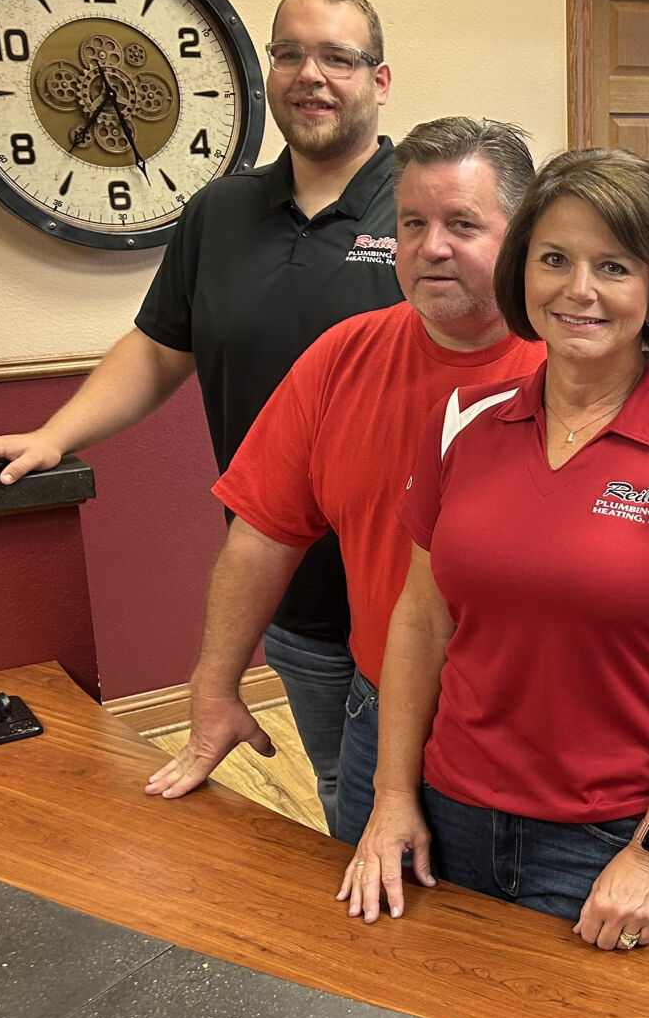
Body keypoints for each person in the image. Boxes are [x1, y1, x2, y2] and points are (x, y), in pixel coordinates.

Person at [0, 0, 400, 834]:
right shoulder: (220, 212)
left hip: (418, 587)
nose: (312, 74)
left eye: (338, 57)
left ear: (379, 80)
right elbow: (158, 347)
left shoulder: (426, 208)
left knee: (438, 815)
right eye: (291, 53)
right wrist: (54, 433)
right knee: (346, 796)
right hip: (287, 584)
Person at [338, 148, 649, 951]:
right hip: (445, 810)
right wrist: (391, 793)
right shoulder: (460, 422)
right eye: (554, 259)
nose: (577, 290)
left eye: (613, 266)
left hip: (599, 840)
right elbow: (419, 620)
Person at [144, 118, 546, 842]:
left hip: (531, 735)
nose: (431, 247)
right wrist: (214, 685)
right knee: (370, 938)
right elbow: (261, 535)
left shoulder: (571, 371)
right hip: (378, 710)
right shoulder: (343, 358)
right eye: (413, 223)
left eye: (463, 223)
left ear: (522, 234)